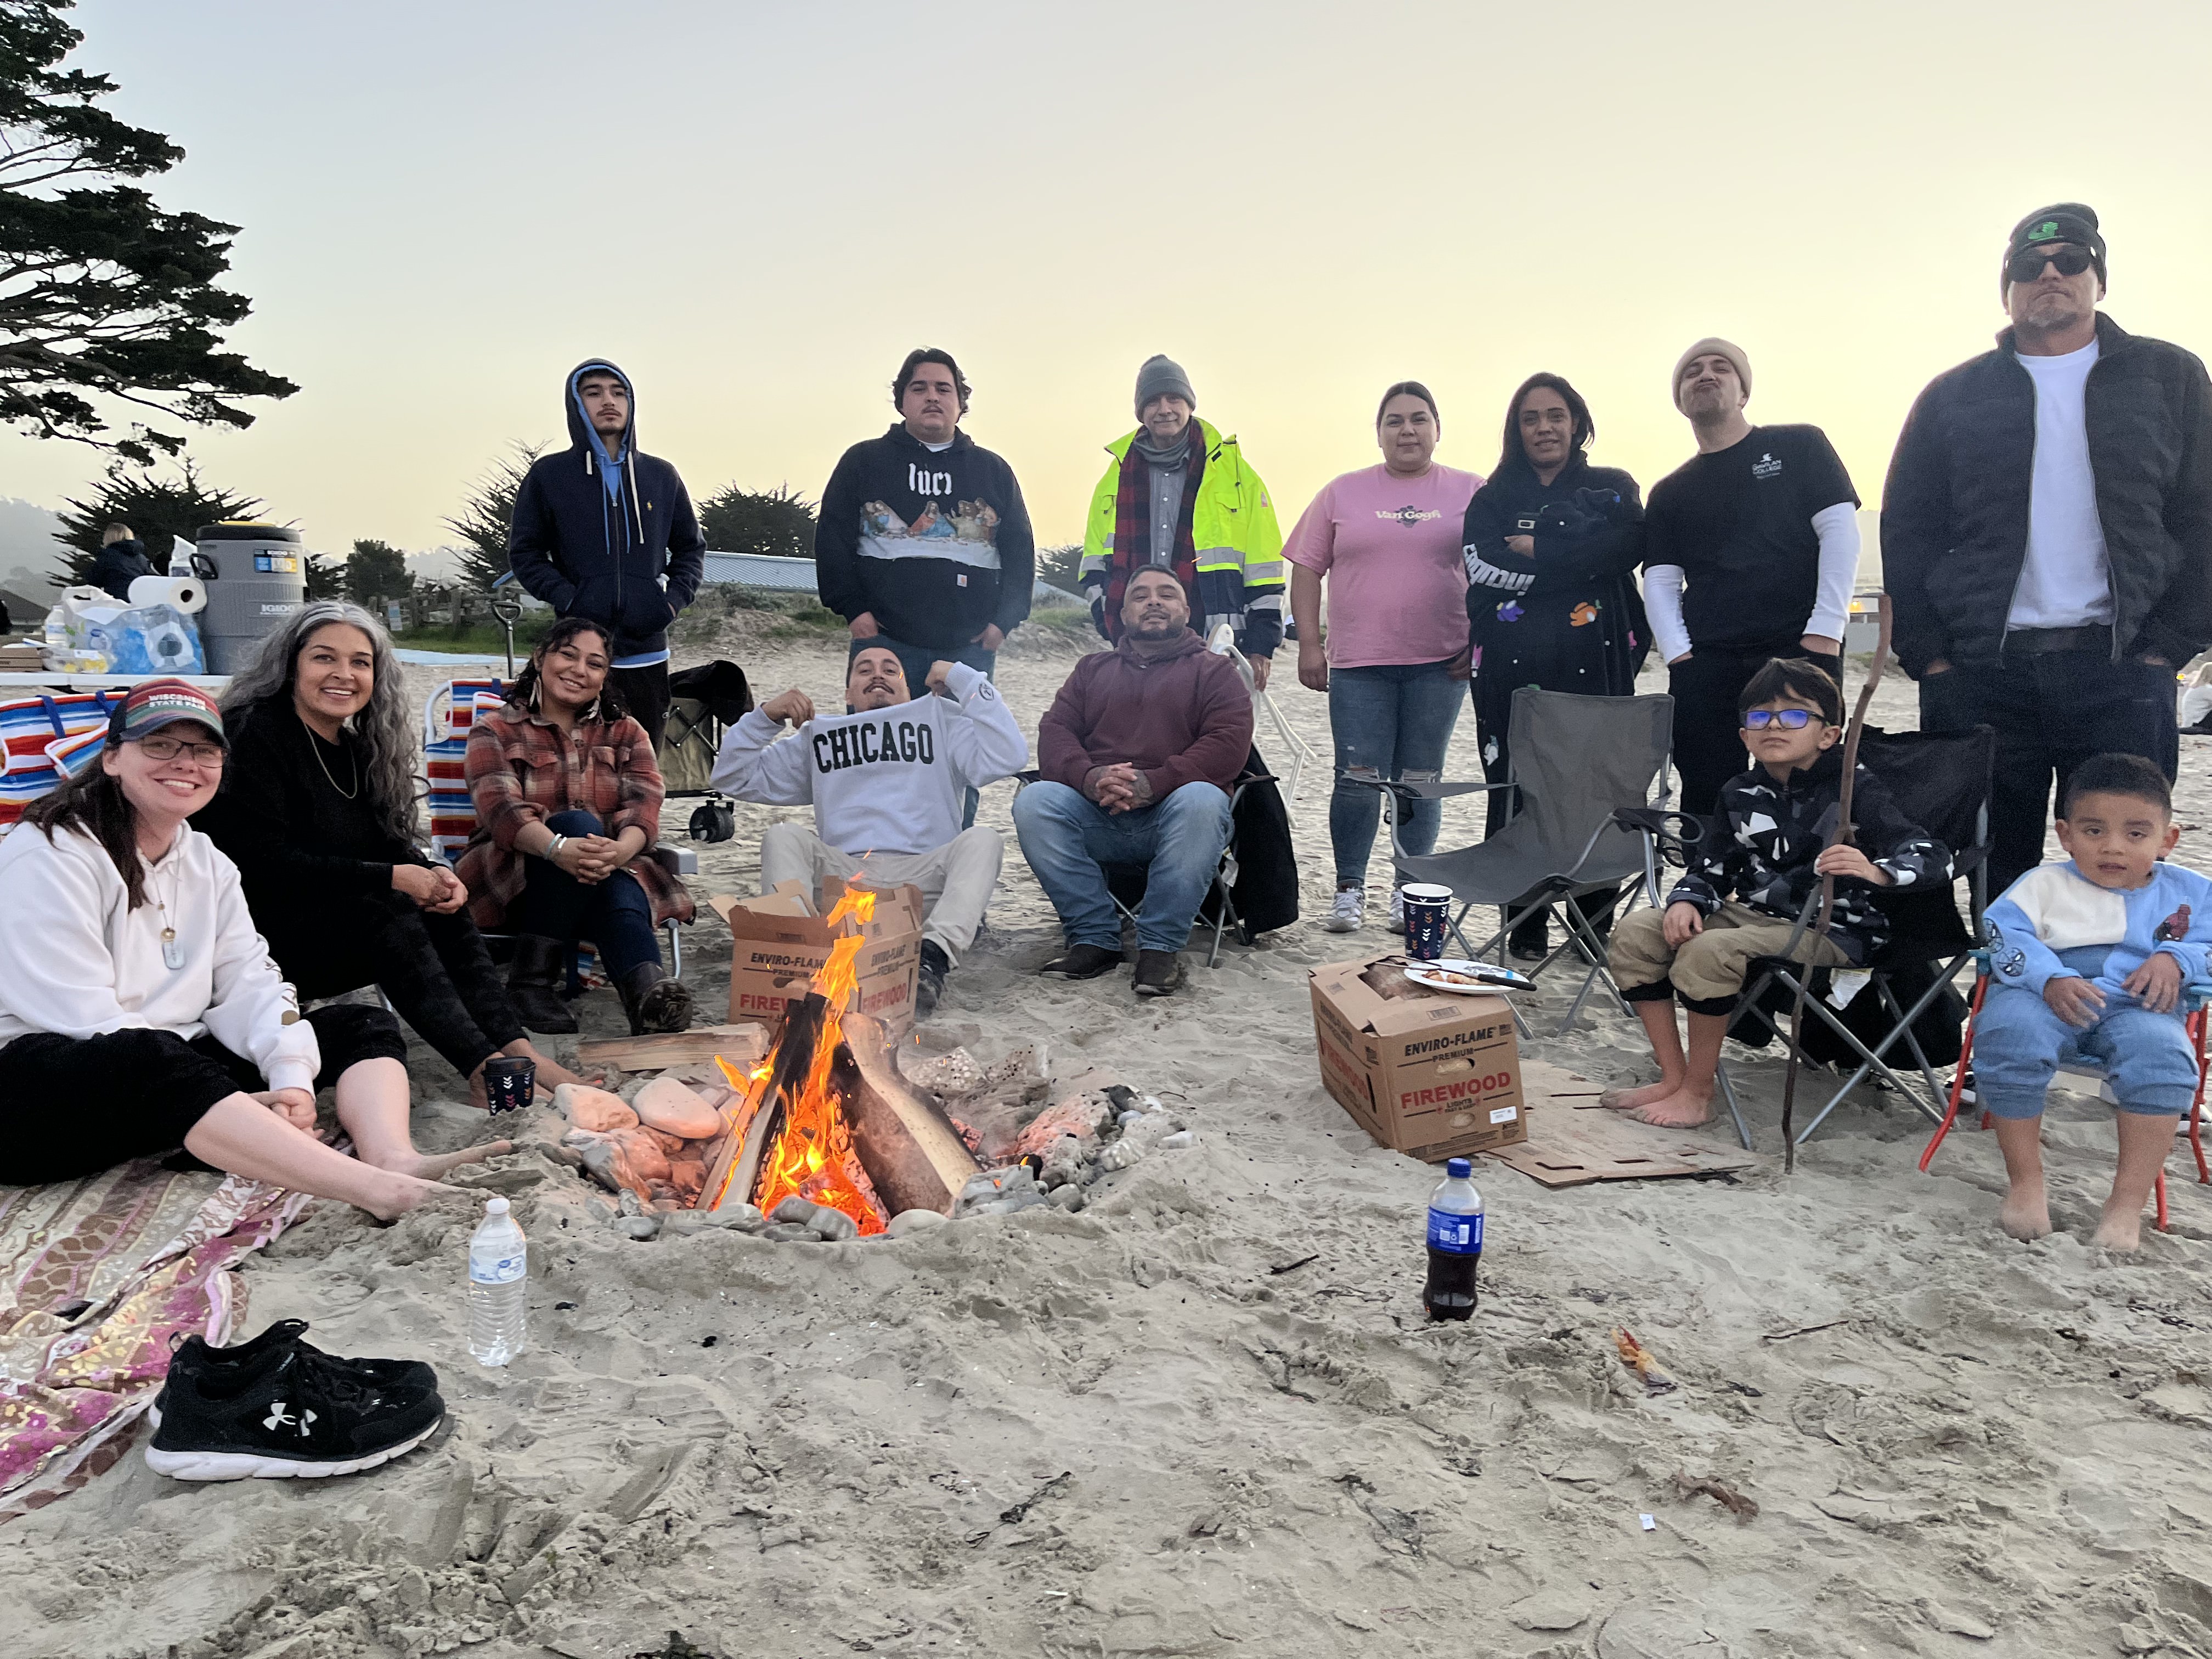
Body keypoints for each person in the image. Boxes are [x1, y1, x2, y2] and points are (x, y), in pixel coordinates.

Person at [0, 679, 503, 1212]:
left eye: (202, 749)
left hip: (176, 1075)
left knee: (357, 1024)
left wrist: (292, 1082)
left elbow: (250, 979)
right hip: (40, 1097)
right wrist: (226, 1093)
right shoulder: (52, 853)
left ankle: (394, 1158)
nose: (184, 762)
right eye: (159, 744)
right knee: (147, 1057)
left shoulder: (204, 861)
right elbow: (78, 1015)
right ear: (112, 759)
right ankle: (379, 1193)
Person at [1884, 204, 2212, 897]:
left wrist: (2171, 644)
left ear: (2099, 278)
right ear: (2008, 289)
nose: (2051, 274)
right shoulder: (1954, 395)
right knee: (1987, 871)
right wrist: (1932, 658)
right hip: (1982, 672)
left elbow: (2203, 514)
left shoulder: (2169, 377)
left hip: (2122, 669)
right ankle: (2004, 1003)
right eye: (2029, 268)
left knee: (2120, 868)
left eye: (2072, 260)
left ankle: (2112, 1007)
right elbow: (1909, 532)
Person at [194, 602, 591, 1108]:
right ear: (291, 664)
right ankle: (480, 1066)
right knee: (388, 911)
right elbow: (261, 865)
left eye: (361, 662)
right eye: (324, 658)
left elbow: (386, 844)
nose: (344, 675)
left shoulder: (356, 747)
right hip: (254, 936)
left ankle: (515, 1047)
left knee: (443, 905)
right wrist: (394, 878)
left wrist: (433, 874)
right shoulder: (255, 734)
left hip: (330, 915)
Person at [1602, 659, 1950, 1128]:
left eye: (1795, 715)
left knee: (1709, 951)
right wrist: (1687, 899)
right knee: (1636, 932)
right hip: (1752, 917)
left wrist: (1877, 871)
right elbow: (1712, 868)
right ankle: (1673, 1077)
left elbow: (1933, 855)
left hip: (1833, 930)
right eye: (1760, 716)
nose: (1774, 726)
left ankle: (1698, 1094)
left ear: (1829, 734)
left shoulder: (1857, 790)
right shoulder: (1739, 792)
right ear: (1744, 735)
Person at [1974, 754, 2212, 1251]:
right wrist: (2048, 977)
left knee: (2164, 1061)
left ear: (2167, 840)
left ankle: (2126, 1206)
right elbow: (2001, 933)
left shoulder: (2194, 893)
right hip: (2043, 995)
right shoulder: (2043, 884)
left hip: (2137, 1004)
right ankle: (2026, 1183)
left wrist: (2177, 958)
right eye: (2094, 831)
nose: (2113, 847)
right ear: (2065, 835)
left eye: (2136, 834)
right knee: (2009, 1035)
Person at [710, 644, 1028, 1016]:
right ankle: (797, 955)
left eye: (891, 669)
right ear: (848, 694)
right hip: (844, 882)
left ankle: (933, 958)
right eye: (864, 669)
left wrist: (963, 677)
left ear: (910, 690)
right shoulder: (821, 736)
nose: (877, 674)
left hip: (922, 882)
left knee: (984, 839)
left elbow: (1010, 755)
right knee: (783, 836)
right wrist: (764, 718)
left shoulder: (941, 720)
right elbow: (731, 776)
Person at [1463, 373, 1650, 958]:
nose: (1544, 428)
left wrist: (1540, 552)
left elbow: (1625, 550)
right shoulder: (1493, 498)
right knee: (1519, 791)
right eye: (1530, 417)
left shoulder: (1613, 487)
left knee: (1597, 793)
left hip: (1599, 672)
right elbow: (1481, 566)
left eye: (1556, 415)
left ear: (1577, 423)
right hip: (1508, 679)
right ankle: (1526, 929)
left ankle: (1593, 929)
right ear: (1516, 430)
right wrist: (1578, 564)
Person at [1282, 382, 1479, 936]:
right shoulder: (1342, 493)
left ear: (1438, 429)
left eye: (1419, 419)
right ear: (1379, 433)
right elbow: (1305, 568)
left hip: (1441, 663)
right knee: (1358, 777)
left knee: (1420, 778)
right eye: (1394, 421)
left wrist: (1481, 640)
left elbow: (1496, 572)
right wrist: (1310, 644)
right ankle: (1349, 887)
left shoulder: (1472, 491)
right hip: (1359, 665)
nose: (1407, 431)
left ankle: (1409, 888)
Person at [813, 347, 1034, 829]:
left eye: (943, 389)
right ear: (902, 401)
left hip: (968, 644)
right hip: (884, 638)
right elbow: (831, 538)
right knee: (872, 755)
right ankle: (873, 870)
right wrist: (853, 611)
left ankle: (952, 868)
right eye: (919, 388)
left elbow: (1020, 548)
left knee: (961, 761)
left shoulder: (993, 470)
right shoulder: (863, 461)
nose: (932, 397)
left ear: (960, 402)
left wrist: (1005, 622)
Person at [1643, 338, 1860, 816]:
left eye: (1721, 367)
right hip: (1708, 662)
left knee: (1809, 787)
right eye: (1691, 371)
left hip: (1800, 649)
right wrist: (1680, 656)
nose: (1705, 375)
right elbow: (1659, 580)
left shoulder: (1800, 445)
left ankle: (1806, 890)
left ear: (1743, 392)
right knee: (1707, 789)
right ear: (1679, 400)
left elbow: (1840, 534)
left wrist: (1826, 632)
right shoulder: (1669, 492)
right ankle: (1709, 891)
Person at [1013, 567, 1254, 998]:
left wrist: (1153, 783)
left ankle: (1160, 948)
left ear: (1186, 609)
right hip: (1098, 814)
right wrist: (1091, 778)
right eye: (1140, 596)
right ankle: (1094, 938)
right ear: (1123, 615)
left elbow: (1227, 747)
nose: (1154, 601)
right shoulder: (1091, 670)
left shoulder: (1215, 672)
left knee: (1202, 798)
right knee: (1036, 801)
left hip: (1178, 822)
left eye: (1167, 594)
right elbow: (1056, 733)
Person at [458, 617, 696, 1038]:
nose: (579, 670)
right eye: (567, 655)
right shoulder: (495, 730)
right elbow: (503, 813)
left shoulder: (626, 732)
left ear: (605, 677)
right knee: (577, 825)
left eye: (595, 664)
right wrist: (559, 849)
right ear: (540, 658)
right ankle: (548, 983)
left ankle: (645, 999)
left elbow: (645, 807)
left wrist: (618, 852)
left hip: (607, 870)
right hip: (518, 880)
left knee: (614, 872)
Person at [507, 359, 707, 750]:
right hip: (575, 658)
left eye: (619, 392)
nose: (608, 401)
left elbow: (690, 549)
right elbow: (525, 552)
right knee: (572, 764)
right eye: (593, 392)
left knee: (642, 768)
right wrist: (571, 599)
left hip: (646, 655)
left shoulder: (661, 476)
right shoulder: (550, 475)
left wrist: (669, 604)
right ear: (576, 404)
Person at [1078, 355, 1286, 686]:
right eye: (1153, 401)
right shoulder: (1114, 478)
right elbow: (1092, 564)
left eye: (1174, 398)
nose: (1164, 409)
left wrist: (1262, 645)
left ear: (1189, 404)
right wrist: (1110, 623)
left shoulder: (1238, 476)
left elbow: (1265, 566)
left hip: (1217, 641)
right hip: (1135, 642)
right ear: (1140, 411)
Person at [91, 522, 154, 602]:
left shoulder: (108, 555)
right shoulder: (142, 558)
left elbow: (94, 581)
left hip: (116, 601)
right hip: (138, 601)